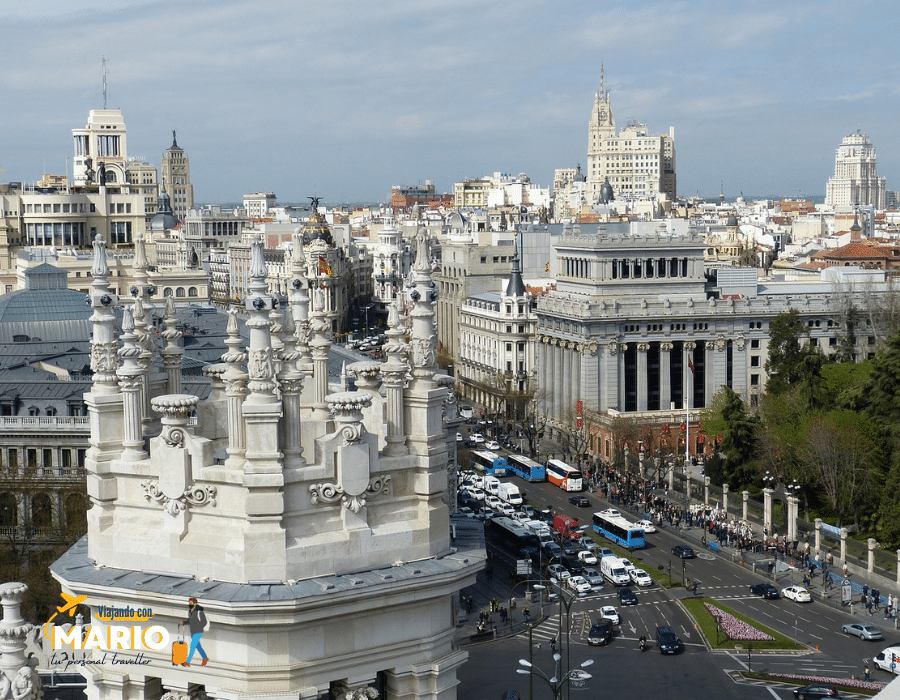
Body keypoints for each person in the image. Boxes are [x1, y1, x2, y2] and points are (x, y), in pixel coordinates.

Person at [182, 597, 209, 667]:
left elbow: (204, 622)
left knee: (192, 646)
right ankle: (205, 658)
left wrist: (199, 627)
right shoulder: (190, 611)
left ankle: (187, 661)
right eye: (189, 603)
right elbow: (190, 621)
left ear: (195, 603)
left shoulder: (199, 611)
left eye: (191, 603)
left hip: (198, 631)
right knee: (198, 646)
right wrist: (183, 622)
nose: (190, 604)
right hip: (193, 631)